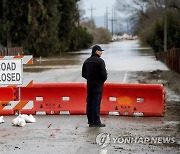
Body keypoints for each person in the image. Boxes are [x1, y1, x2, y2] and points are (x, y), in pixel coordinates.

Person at [82, 45, 107, 127]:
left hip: (89, 85)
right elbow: (104, 75)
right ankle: (96, 122)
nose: (101, 52)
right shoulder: (100, 61)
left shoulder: (86, 61)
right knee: (96, 103)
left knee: (89, 103)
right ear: (96, 51)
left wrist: (90, 79)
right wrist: (101, 80)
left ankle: (90, 121)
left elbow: (83, 74)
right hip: (98, 85)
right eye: (100, 51)